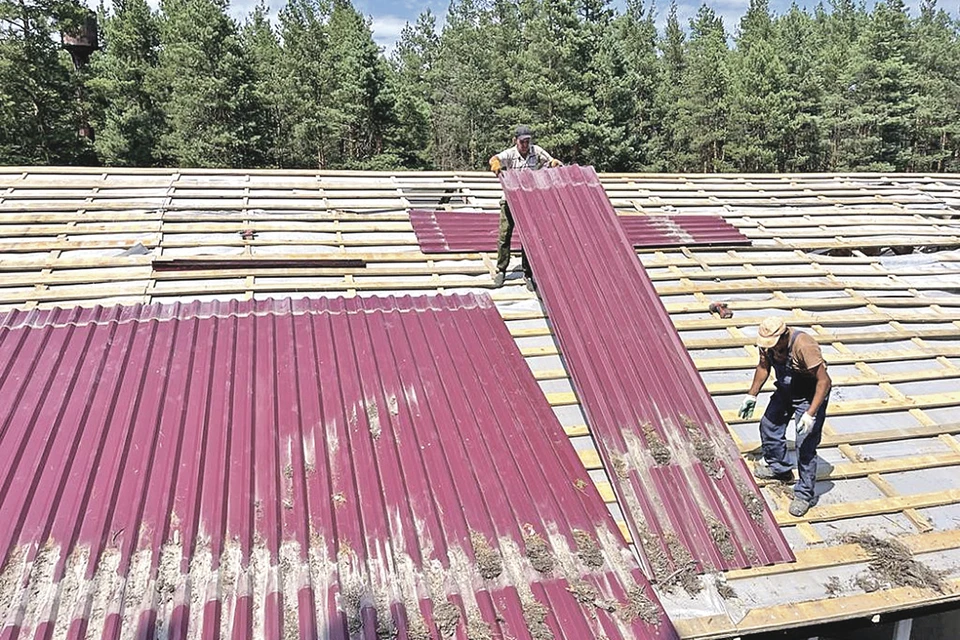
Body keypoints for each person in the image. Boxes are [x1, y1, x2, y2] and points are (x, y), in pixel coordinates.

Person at [738, 317, 832, 517]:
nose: (769, 348)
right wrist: (751, 395)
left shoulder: (804, 345)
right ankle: (780, 468)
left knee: (805, 444)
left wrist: (810, 414)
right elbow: (763, 367)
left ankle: (805, 494)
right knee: (768, 425)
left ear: (783, 335)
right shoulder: (767, 345)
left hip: (810, 394)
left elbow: (824, 381)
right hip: (786, 390)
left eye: (773, 343)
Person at [489, 125, 562, 290]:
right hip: (510, 199)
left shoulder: (536, 151)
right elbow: (495, 158)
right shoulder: (510, 154)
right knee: (504, 236)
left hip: (529, 201)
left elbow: (550, 161)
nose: (525, 144)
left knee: (528, 239)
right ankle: (501, 270)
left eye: (527, 141)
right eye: (522, 141)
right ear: (516, 140)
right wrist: (495, 164)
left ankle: (527, 273)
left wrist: (554, 163)